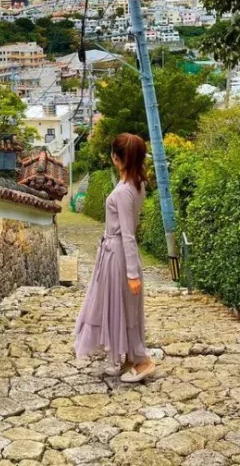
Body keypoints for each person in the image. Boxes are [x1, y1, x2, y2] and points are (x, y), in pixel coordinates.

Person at [73, 132, 156, 382]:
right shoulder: (136, 185)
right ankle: (130, 358)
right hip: (115, 252)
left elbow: (129, 234)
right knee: (122, 307)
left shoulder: (123, 191)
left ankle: (142, 361)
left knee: (124, 308)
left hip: (118, 254)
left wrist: (132, 273)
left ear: (116, 158)